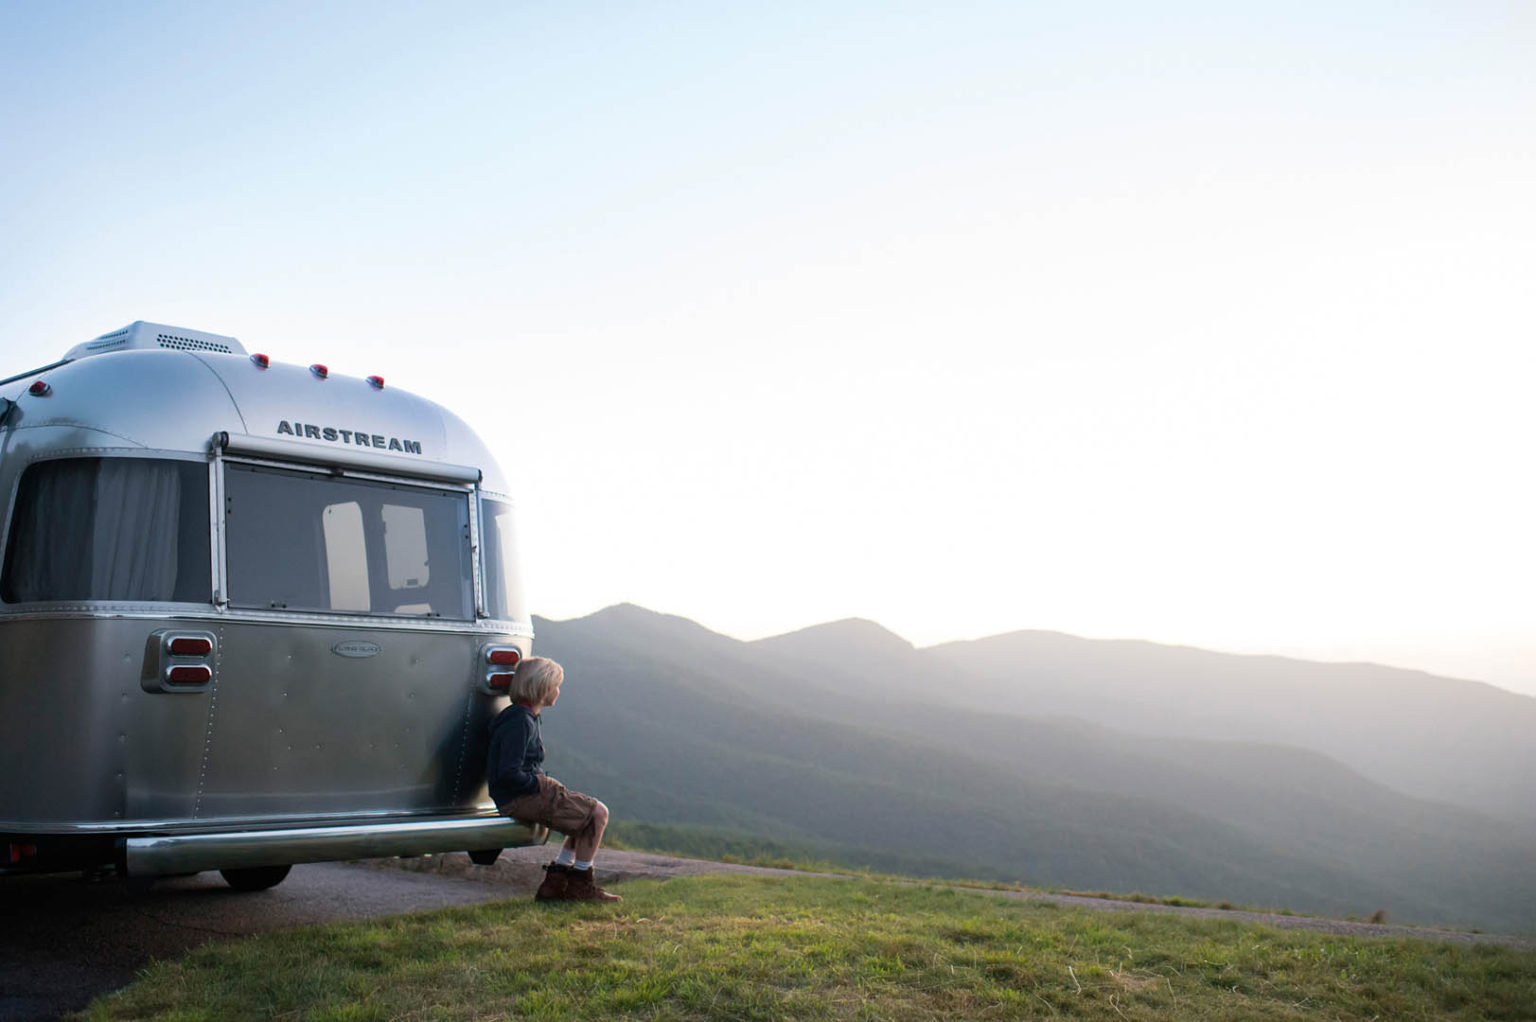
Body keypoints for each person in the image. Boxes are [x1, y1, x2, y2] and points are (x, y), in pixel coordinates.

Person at [486, 656, 620, 902]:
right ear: (542, 687)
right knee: (598, 814)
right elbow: (508, 772)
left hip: (520, 794)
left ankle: (555, 884)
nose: (558, 691)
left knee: (585, 816)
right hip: (520, 797)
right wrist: (539, 783)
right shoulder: (520, 721)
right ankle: (580, 886)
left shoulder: (523, 717)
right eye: (555, 686)